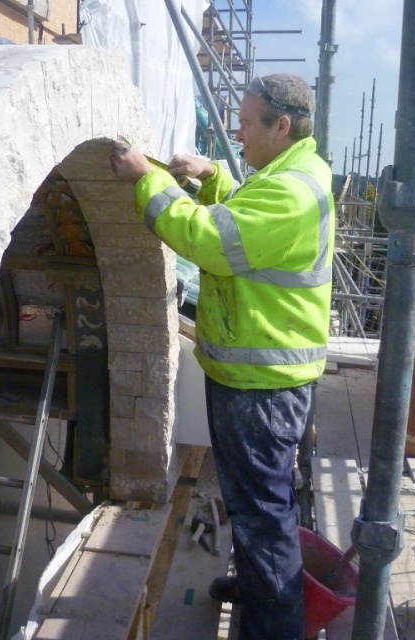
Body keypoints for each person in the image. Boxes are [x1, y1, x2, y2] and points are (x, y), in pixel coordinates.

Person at [110, 73, 335, 640]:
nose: (237, 132)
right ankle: (262, 588)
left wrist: (147, 182)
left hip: (262, 385)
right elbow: (242, 217)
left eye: (246, 121)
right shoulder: (288, 175)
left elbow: (211, 241)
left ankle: (274, 623)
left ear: (281, 126)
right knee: (257, 506)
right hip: (255, 377)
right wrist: (211, 178)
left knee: (264, 516)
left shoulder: (291, 191)